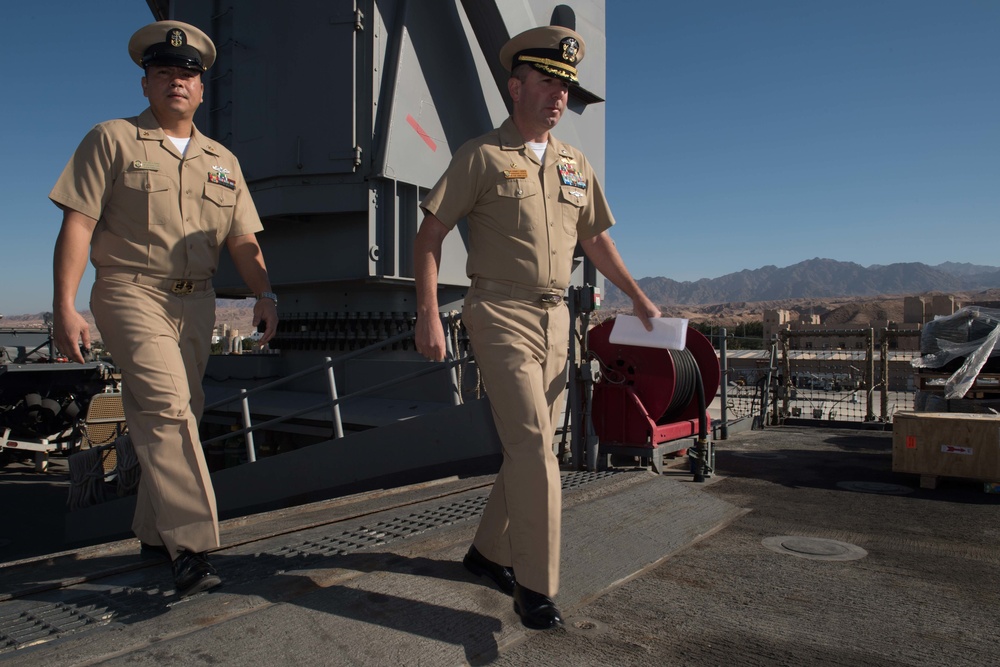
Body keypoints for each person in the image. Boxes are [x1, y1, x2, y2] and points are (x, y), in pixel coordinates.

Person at [414, 25, 660, 629]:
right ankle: (536, 586)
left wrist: (637, 296)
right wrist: (426, 313)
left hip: (557, 319)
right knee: (531, 445)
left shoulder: (576, 165)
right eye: (548, 84)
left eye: (565, 88)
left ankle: (484, 553)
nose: (559, 98)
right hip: (498, 311)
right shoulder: (481, 156)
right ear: (515, 86)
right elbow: (428, 238)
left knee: (536, 448)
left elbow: (595, 239)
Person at [50, 20, 278, 598]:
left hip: (196, 302)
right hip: (130, 290)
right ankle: (193, 549)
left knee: (183, 413)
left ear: (202, 89)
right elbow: (78, 222)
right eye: (165, 73)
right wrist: (64, 307)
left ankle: (154, 532)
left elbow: (243, 239)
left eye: (188, 75)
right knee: (168, 407)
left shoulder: (221, 160)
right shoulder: (113, 139)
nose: (178, 82)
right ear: (146, 83)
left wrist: (265, 292)